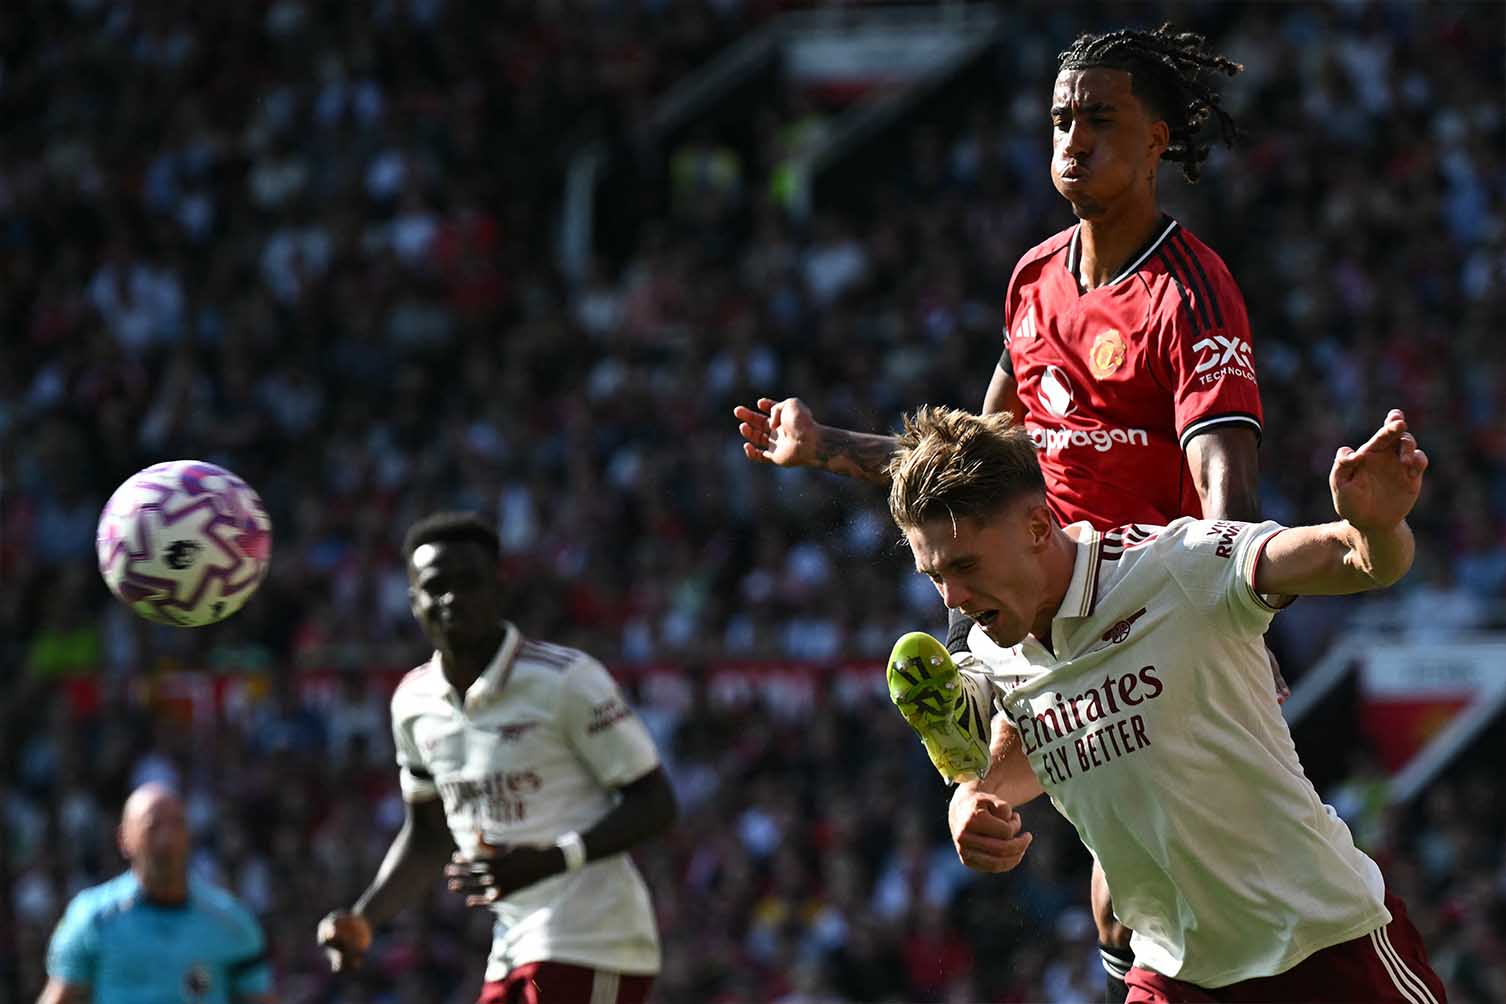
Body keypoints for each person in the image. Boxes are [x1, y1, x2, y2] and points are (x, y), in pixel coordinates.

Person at [734, 25, 1279, 1000]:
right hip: (1049, 607)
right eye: (1062, 119)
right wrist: (823, 445)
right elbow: (973, 470)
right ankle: (979, 733)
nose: (1074, 138)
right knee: (1123, 905)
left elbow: (1226, 491)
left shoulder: (1188, 290)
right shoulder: (1034, 282)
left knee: (1151, 905)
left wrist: (1235, 615)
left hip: (1154, 619)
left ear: (1156, 141)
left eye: (1100, 119)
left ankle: (983, 745)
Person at [885, 404, 1447, 1003]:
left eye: (965, 566)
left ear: (1038, 526)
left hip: (1323, 945)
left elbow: (1354, 559)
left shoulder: (1177, 565)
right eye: (934, 575)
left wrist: (1377, 528)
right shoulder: (993, 651)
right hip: (1176, 971)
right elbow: (1051, 737)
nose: (953, 598)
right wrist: (970, 801)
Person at [317, 512, 678, 1003]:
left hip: (593, 940)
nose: (452, 598)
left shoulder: (566, 681)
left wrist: (554, 859)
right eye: (435, 586)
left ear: (499, 589)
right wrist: (365, 917)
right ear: (413, 601)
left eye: (469, 583)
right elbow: (428, 836)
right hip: (512, 944)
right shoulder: (414, 703)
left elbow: (655, 803)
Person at [38, 783, 274, 1004]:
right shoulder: (92, 918)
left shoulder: (231, 922)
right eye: (153, 827)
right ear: (124, 839)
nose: (166, 839)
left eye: (177, 825)